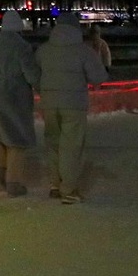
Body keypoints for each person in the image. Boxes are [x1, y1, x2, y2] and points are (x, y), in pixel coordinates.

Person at [35, 11, 109, 203]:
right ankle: (68, 189)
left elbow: (35, 75)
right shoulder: (83, 51)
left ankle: (54, 183)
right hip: (74, 105)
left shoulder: (44, 50)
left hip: (49, 103)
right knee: (71, 145)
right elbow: (98, 77)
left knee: (53, 142)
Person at [0, 9, 41, 196]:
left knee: (0, 137)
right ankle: (14, 183)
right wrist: (43, 88)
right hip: (14, 95)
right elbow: (31, 75)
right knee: (16, 139)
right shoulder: (22, 48)